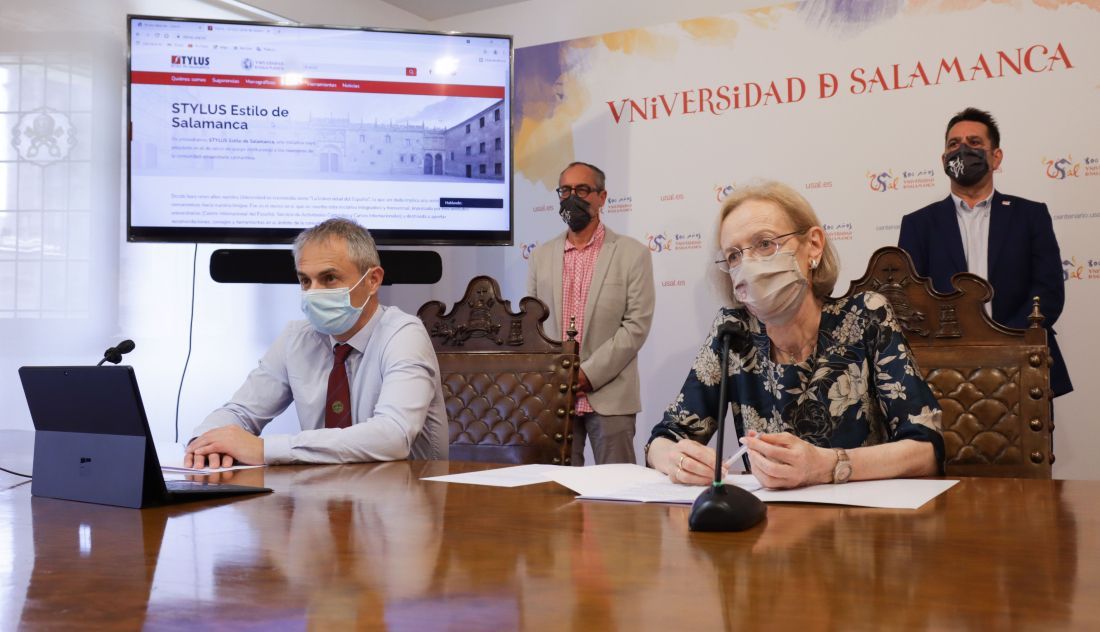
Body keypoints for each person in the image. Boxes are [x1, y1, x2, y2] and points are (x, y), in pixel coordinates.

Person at [646, 182, 943, 489]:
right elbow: (665, 437)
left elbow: (926, 449)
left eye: (764, 244)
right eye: (734, 255)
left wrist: (829, 465)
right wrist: (677, 460)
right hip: (767, 524)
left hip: (859, 521)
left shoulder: (865, 316)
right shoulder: (733, 331)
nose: (748, 265)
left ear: (813, 245)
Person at [185, 218, 447, 467]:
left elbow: (393, 436)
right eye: (305, 280)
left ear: (372, 280)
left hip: (406, 500)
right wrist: (205, 441)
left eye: (329, 278)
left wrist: (264, 449)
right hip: (321, 497)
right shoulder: (297, 338)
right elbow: (241, 411)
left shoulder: (404, 333)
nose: (313, 293)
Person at [899, 107, 1071, 398]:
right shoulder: (918, 224)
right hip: (943, 371)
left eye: (975, 142)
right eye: (954, 144)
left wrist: (1001, 343)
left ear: (996, 156)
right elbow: (911, 301)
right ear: (944, 159)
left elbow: (1048, 292)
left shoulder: (1031, 216)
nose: (963, 150)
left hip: (1022, 362)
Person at [527, 161, 655, 465]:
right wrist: (558, 378)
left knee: (617, 497)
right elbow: (531, 325)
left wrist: (587, 374)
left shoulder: (632, 254)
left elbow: (635, 326)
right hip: (554, 397)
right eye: (565, 190)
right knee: (557, 497)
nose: (573, 197)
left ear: (602, 197)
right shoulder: (540, 257)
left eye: (582, 190)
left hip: (611, 397)